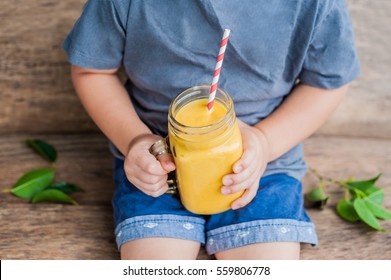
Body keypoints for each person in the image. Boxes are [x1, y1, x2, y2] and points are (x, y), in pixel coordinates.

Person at [62, 0, 360, 260]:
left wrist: (266, 142)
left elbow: (326, 84)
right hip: (157, 162)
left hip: (261, 165)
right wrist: (135, 140)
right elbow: (92, 70)